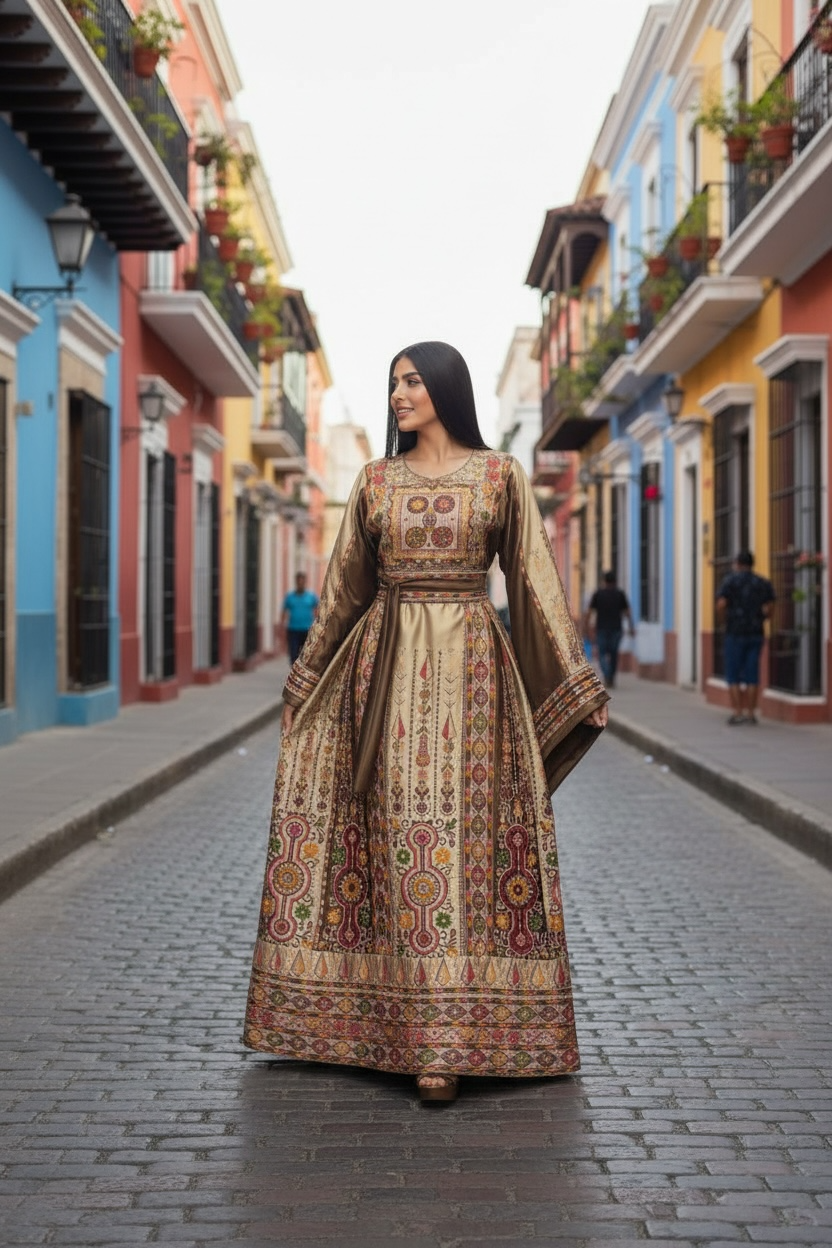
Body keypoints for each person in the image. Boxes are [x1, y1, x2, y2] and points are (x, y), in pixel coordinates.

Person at [243, 341, 609, 1105]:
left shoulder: (501, 476)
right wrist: (306, 678)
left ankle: (452, 1037)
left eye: (412, 381)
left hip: (477, 675)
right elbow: (345, 587)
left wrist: (572, 682)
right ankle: (405, 1037)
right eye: (393, 384)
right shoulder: (375, 482)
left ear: (446, 387)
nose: (400, 395)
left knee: (466, 840)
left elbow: (535, 580)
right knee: (396, 836)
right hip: (383, 677)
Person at [716, 550, 775, 725]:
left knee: (733, 674)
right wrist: (764, 618)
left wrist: (723, 621)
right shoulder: (762, 583)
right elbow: (771, 606)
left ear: (738, 564)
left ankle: (737, 711)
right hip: (755, 632)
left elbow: (721, 604)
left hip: (734, 632)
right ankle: (750, 713)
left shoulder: (730, 582)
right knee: (752, 673)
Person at [583, 570, 634, 689]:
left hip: (601, 629)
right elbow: (627, 613)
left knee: (601, 653)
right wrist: (631, 627)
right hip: (616, 629)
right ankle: (610, 676)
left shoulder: (598, 594)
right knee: (614, 653)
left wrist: (585, 628)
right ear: (615, 581)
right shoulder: (620, 594)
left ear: (604, 581)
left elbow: (589, 612)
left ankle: (607, 674)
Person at [281, 571, 319, 663]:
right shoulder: (290, 597)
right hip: (293, 630)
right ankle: (294, 674)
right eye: (299, 581)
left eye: (302, 581)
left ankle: (302, 674)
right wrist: (282, 627)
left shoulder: (311, 597)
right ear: (296, 582)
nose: (300, 583)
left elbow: (318, 609)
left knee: (307, 655)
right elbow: (284, 612)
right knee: (293, 655)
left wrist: (318, 624)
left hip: (307, 630)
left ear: (305, 582)